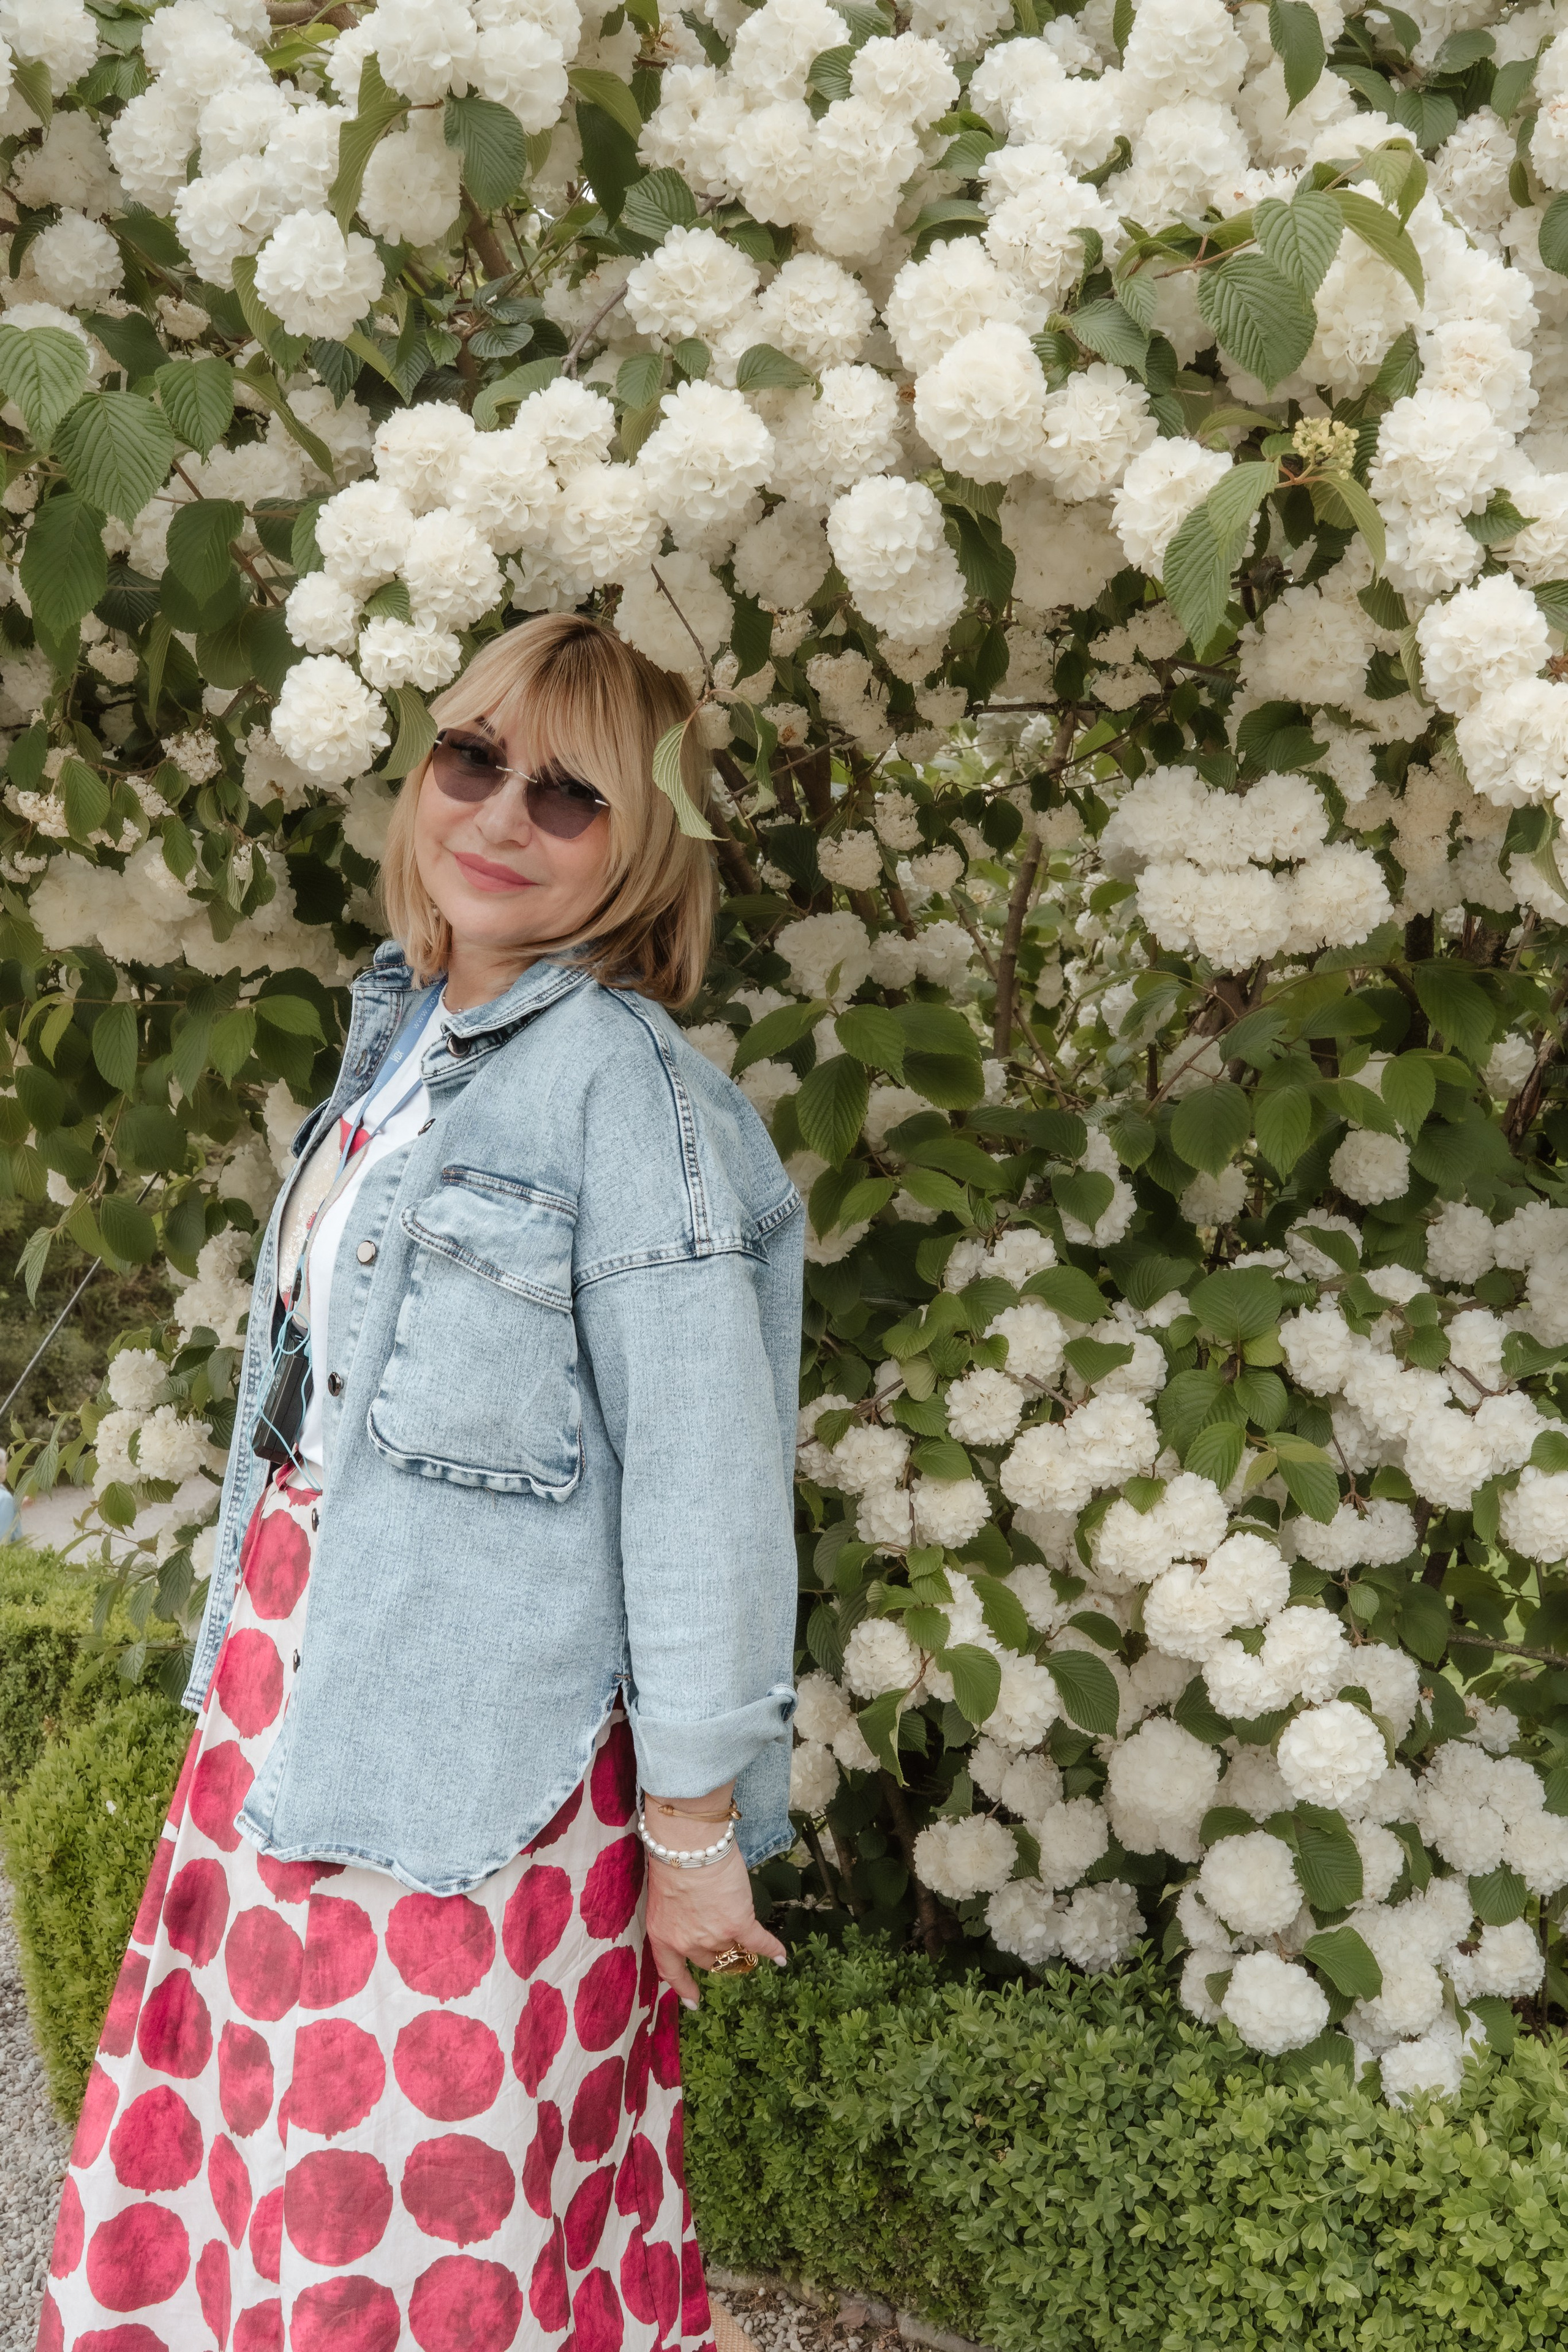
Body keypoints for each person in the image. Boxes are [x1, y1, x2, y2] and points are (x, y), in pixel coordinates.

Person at [40, 614, 804, 2352]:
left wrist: (695, 1835)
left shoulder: (632, 1099)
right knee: (268, 2173)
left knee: (419, 2227)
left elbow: (704, 1489)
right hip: (294, 1703)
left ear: (645, 842)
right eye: (473, 759)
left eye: (570, 794)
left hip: (479, 1772)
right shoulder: (404, 1041)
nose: (503, 815)